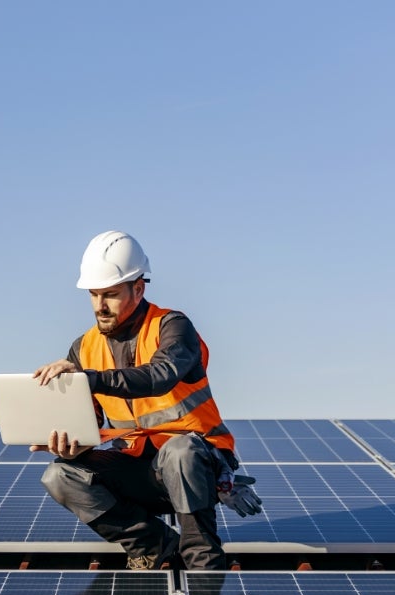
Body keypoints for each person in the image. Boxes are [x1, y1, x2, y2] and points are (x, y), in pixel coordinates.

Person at [32, 230, 261, 570]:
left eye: (110, 294)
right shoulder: (84, 348)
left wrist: (89, 377)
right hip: (139, 470)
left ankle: (202, 562)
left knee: (180, 451)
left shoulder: (173, 327)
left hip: (197, 465)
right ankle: (154, 545)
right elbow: (89, 425)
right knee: (59, 475)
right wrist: (71, 447)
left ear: (138, 289)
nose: (99, 306)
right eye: (94, 295)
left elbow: (159, 376)